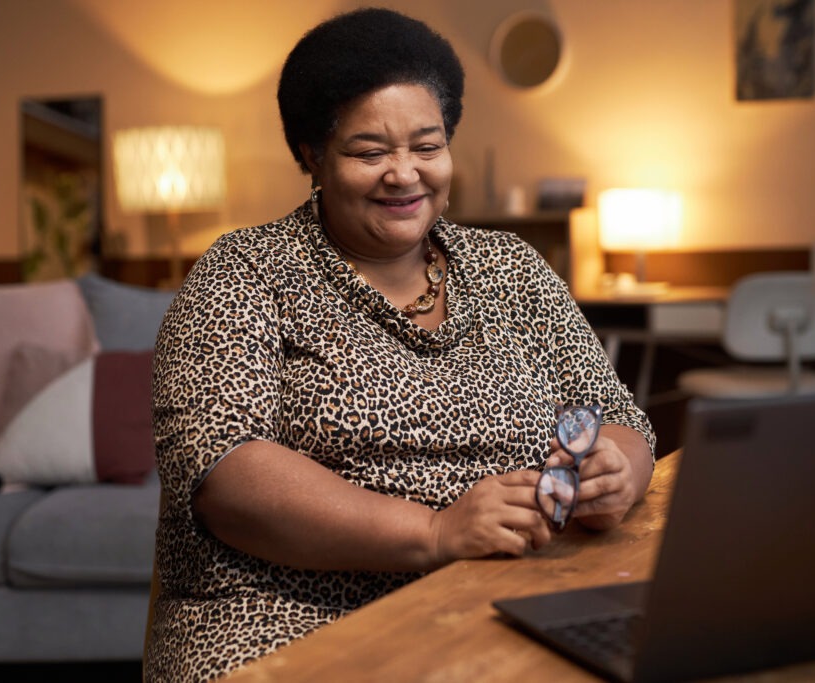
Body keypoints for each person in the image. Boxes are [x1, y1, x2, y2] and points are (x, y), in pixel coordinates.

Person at [145, 8, 655, 682]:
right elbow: (223, 469)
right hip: (289, 618)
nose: (405, 173)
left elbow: (614, 413)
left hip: (505, 601)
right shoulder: (246, 271)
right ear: (311, 155)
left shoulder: (511, 267)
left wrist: (616, 469)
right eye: (369, 151)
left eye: (426, 145)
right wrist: (435, 532)